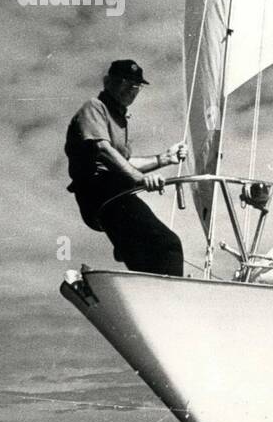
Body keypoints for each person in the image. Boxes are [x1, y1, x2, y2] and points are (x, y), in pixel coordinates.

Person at [65, 59, 187, 276]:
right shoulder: (95, 108)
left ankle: (144, 297)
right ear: (107, 81)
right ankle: (171, 301)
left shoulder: (120, 119)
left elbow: (123, 162)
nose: (131, 89)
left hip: (115, 194)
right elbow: (103, 150)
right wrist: (139, 178)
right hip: (100, 194)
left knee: (148, 256)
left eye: (136, 85)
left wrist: (164, 158)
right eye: (124, 81)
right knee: (169, 245)